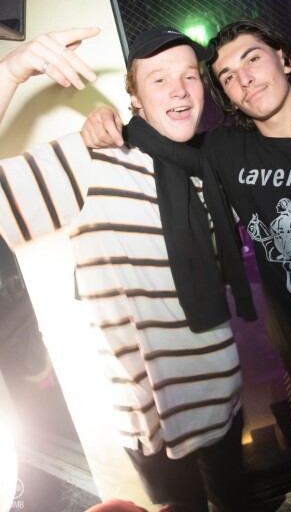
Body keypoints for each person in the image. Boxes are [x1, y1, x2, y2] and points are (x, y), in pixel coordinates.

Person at [83, 19, 291, 512]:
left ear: (284, 59)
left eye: (252, 58)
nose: (244, 77)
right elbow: (157, 135)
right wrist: (106, 120)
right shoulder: (225, 150)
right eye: (227, 76)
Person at [0, 26, 262, 512]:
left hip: (222, 397)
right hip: (149, 421)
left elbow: (285, 147)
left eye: (189, 76)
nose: (179, 89)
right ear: (134, 98)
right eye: (159, 79)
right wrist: (11, 71)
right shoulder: (91, 160)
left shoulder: (213, 168)